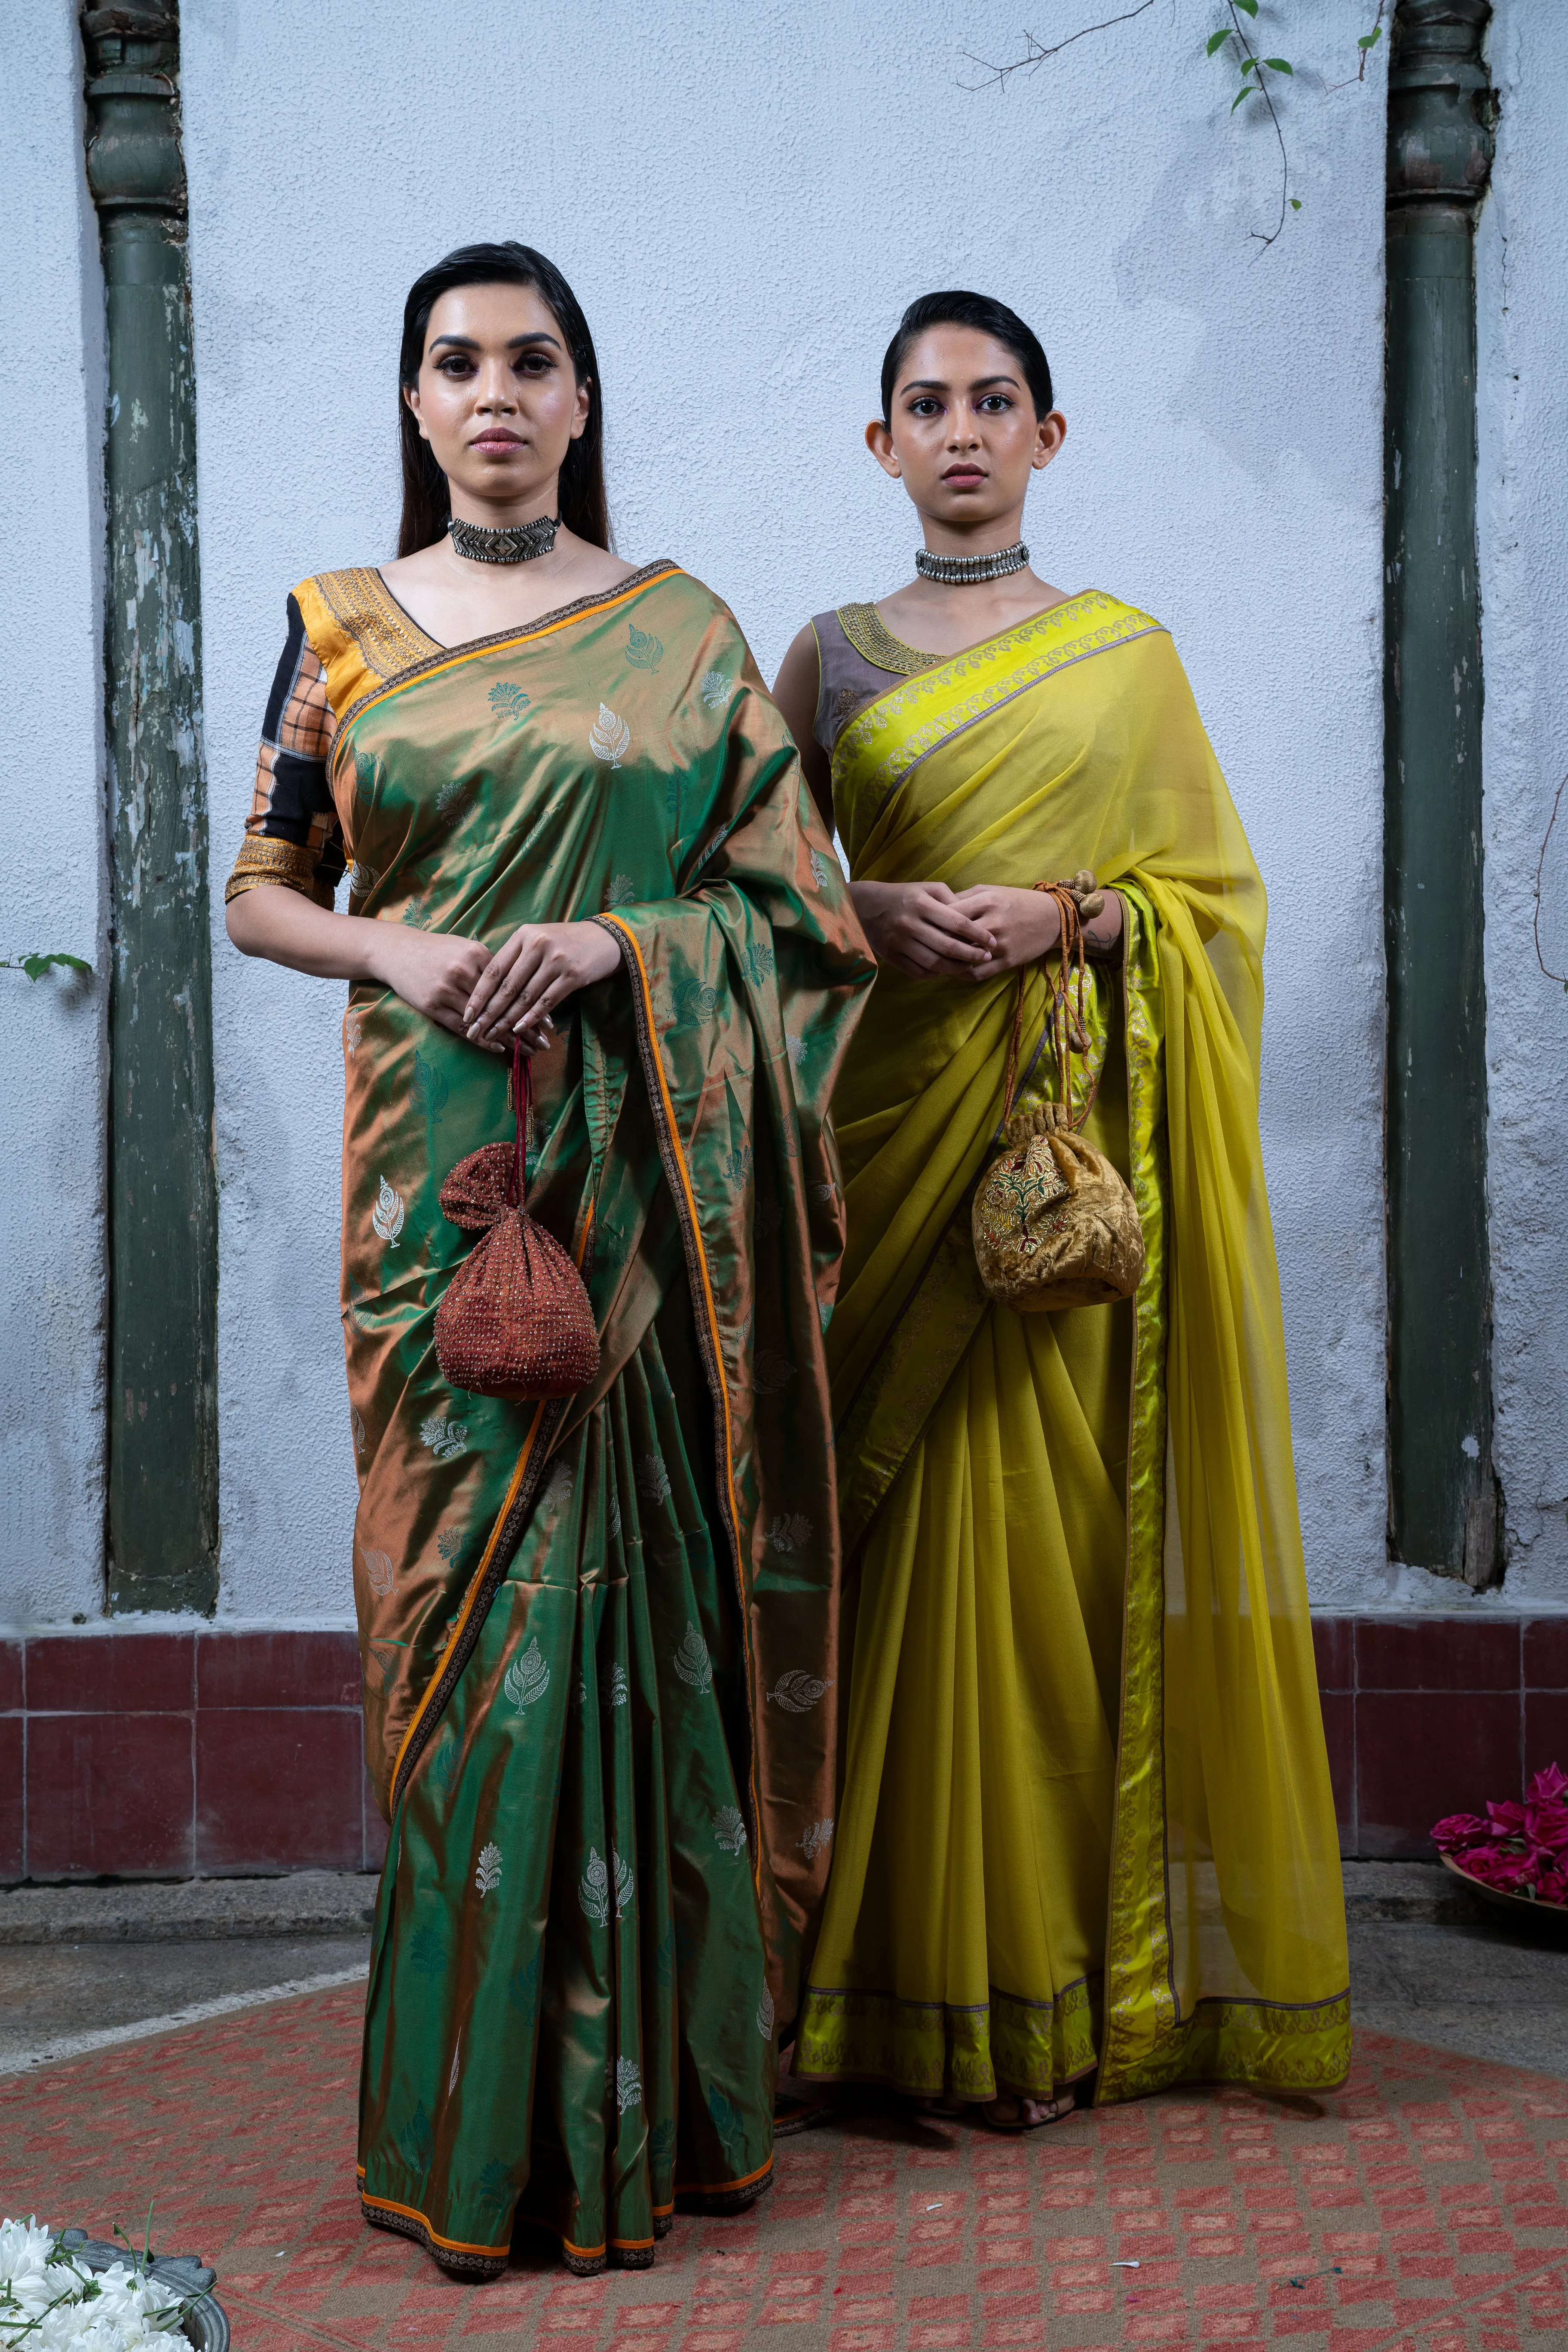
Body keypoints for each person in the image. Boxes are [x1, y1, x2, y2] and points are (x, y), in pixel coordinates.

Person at [225, 241, 872, 2275]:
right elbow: (257, 893)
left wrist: (617, 947)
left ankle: (662, 2126)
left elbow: (801, 917)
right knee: (458, 1631)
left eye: (532, 361)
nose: (493, 393)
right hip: (440, 1191)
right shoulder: (341, 626)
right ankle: (472, 2146)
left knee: (644, 1618)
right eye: (454, 364)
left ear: (582, 398)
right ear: (414, 405)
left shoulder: (681, 634)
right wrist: (400, 946)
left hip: (648, 1190)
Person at [772, 290, 1349, 2132]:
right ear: (879, 445)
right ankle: (865, 1987)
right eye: (925, 405)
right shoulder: (831, 656)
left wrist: (1083, 917)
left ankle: (1052, 1989)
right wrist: (865, 916)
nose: (960, 431)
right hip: (885, 1144)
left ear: (1050, 435)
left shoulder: (1126, 658)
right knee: (877, 1562)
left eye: (994, 401)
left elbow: (1219, 906)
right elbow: (749, 889)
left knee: (1037, 1571)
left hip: (1054, 1179)